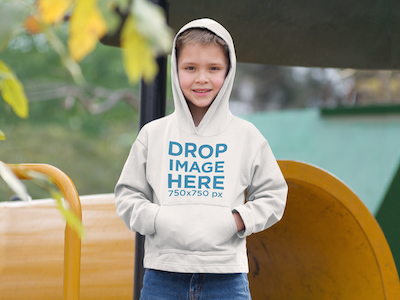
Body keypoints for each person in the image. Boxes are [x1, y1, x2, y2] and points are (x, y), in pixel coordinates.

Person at [115, 18, 288, 300]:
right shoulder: (153, 134)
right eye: (190, 68)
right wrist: (158, 219)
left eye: (214, 68)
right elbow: (127, 195)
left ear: (229, 71)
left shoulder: (246, 136)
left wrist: (236, 220)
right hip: (163, 276)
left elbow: (274, 195)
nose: (202, 78)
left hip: (227, 278)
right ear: (175, 69)